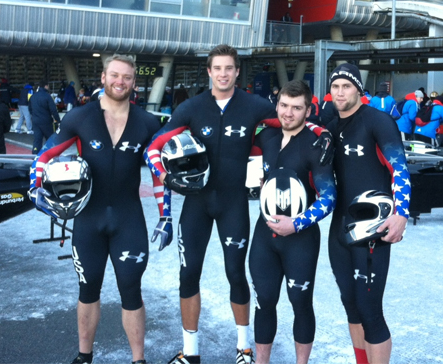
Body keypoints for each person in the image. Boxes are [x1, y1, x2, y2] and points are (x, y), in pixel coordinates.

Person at [145, 44, 333, 364]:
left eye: (229, 68)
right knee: (188, 274)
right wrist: (166, 180)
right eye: (217, 68)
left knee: (236, 273)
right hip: (196, 203)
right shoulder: (191, 107)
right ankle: (190, 352)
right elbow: (154, 147)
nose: (223, 74)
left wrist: (320, 132)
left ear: (236, 72)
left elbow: (290, 119)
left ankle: (244, 348)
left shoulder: (253, 105)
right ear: (209, 71)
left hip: (233, 203)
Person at [28, 54, 162, 364]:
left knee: (131, 291)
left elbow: (160, 172)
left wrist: (165, 214)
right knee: (88, 290)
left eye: (127, 77)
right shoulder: (79, 117)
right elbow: (44, 156)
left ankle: (138, 360)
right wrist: (37, 191)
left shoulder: (147, 122)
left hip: (129, 220)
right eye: (114, 75)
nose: (120, 81)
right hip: (89, 220)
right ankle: (84, 357)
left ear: (134, 82)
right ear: (103, 77)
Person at [326, 63, 411, 364]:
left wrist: (402, 213)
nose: (340, 92)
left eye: (346, 86)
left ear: (359, 90)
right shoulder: (329, 124)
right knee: (351, 305)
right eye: (335, 86)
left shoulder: (378, 121)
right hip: (339, 228)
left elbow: (399, 168)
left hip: (373, 227)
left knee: (370, 310)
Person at [249, 80, 337, 364]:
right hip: (264, 236)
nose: (288, 113)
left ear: (308, 110)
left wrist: (296, 224)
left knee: (300, 304)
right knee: (263, 303)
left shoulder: (316, 145)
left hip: (300, 239)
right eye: (284, 106)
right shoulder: (266, 137)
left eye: (296, 108)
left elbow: (328, 197)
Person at [29, 81, 61, 154]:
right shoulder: (47, 96)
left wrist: (34, 116)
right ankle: (51, 154)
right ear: (45, 86)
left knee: (37, 139)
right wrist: (58, 120)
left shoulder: (33, 96)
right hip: (46, 121)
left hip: (35, 121)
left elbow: (30, 109)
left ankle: (35, 154)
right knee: (50, 139)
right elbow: (53, 110)